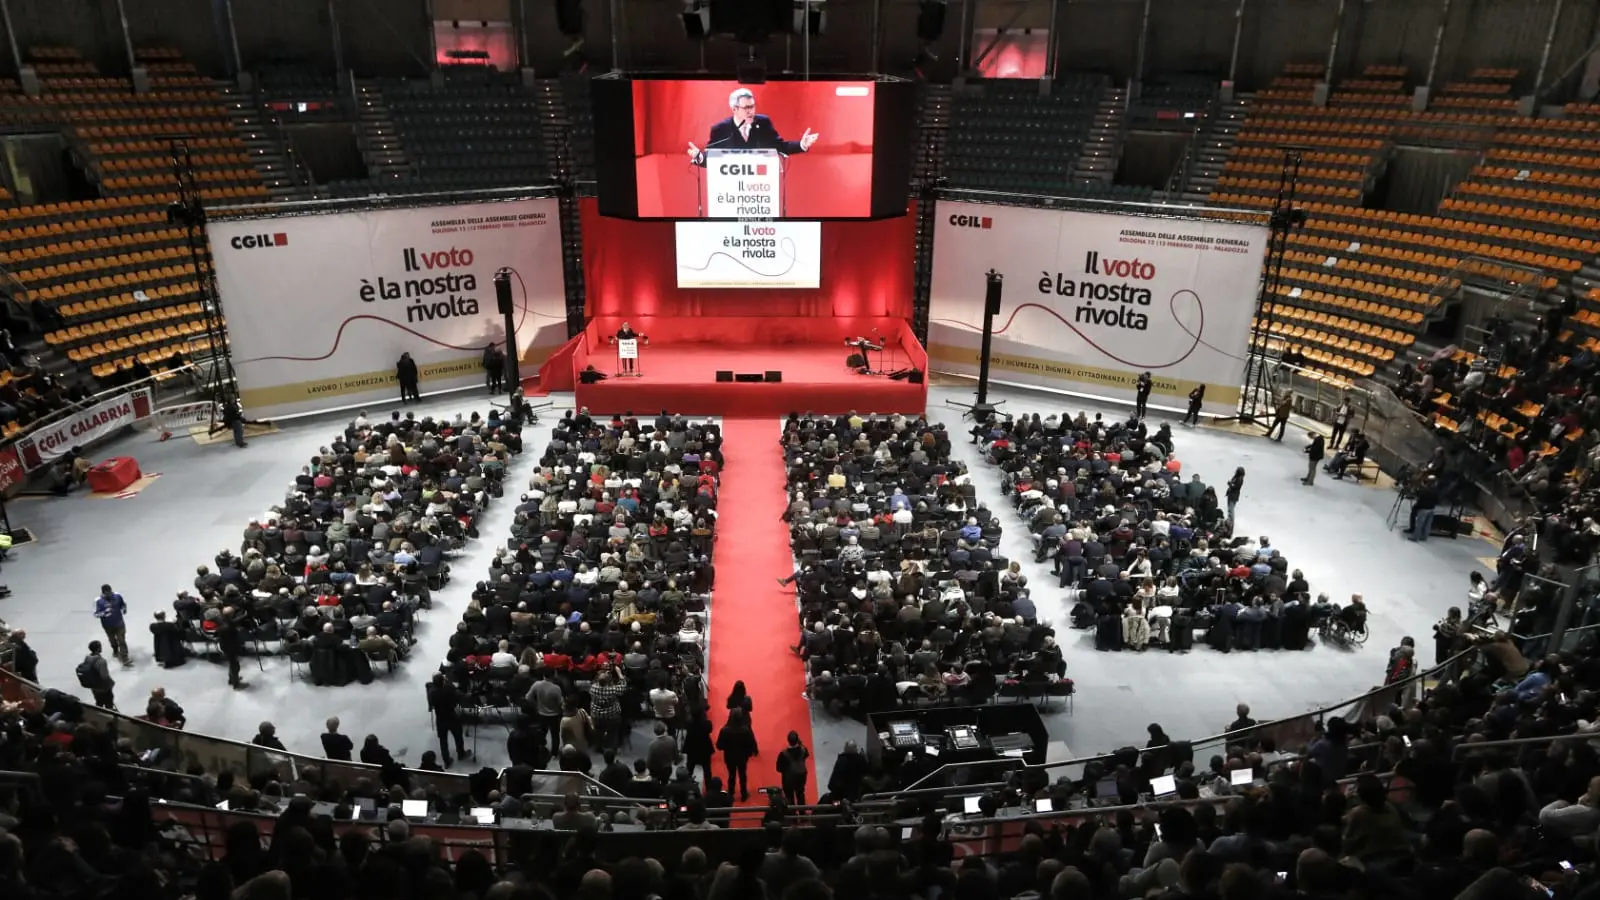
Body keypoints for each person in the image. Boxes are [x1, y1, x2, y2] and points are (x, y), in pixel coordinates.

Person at [687, 87, 819, 165]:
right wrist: (699, 157)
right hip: (729, 190)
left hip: (758, 189)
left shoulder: (763, 123)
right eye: (747, 108)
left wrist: (802, 145)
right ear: (735, 109)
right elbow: (712, 158)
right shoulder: (721, 129)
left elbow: (780, 147)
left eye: (753, 106)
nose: (751, 111)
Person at [427, 673, 471, 767]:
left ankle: (446, 761)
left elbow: (431, 705)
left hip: (440, 718)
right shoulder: (448, 689)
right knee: (458, 735)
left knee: (443, 741)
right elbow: (458, 697)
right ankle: (461, 753)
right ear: (443, 681)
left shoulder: (431, 692)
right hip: (451, 716)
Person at [716, 708, 757, 801]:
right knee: (742, 774)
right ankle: (744, 793)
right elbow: (751, 744)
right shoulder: (745, 730)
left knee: (731, 775)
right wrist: (749, 753)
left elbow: (719, 746)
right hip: (742, 757)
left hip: (729, 757)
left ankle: (731, 793)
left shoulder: (725, 730)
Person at [93, 584, 130, 665]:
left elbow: (123, 604)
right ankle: (115, 649)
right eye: (107, 593)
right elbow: (96, 614)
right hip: (108, 625)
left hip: (119, 623)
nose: (109, 594)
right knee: (112, 640)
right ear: (103, 593)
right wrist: (104, 613)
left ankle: (124, 657)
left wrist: (124, 609)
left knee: (122, 640)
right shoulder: (98, 601)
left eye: (110, 592)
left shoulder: (117, 596)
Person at [77, 640, 115, 709]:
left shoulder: (88, 658)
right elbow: (105, 676)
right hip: (103, 688)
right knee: (109, 704)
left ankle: (99, 713)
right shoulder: (101, 661)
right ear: (98, 648)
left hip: (94, 687)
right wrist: (111, 683)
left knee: (99, 702)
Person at [777, 731, 810, 807]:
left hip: (788, 780)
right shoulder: (803, 750)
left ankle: (793, 816)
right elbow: (806, 755)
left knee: (789, 797)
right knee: (800, 794)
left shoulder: (783, 754)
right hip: (801, 777)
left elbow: (778, 768)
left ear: (788, 741)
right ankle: (802, 814)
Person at [216, 606, 245, 690]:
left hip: (224, 646)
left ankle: (231, 679)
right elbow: (233, 638)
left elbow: (234, 621)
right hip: (231, 647)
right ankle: (235, 683)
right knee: (234, 665)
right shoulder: (229, 627)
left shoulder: (222, 621)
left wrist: (243, 616)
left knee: (232, 663)